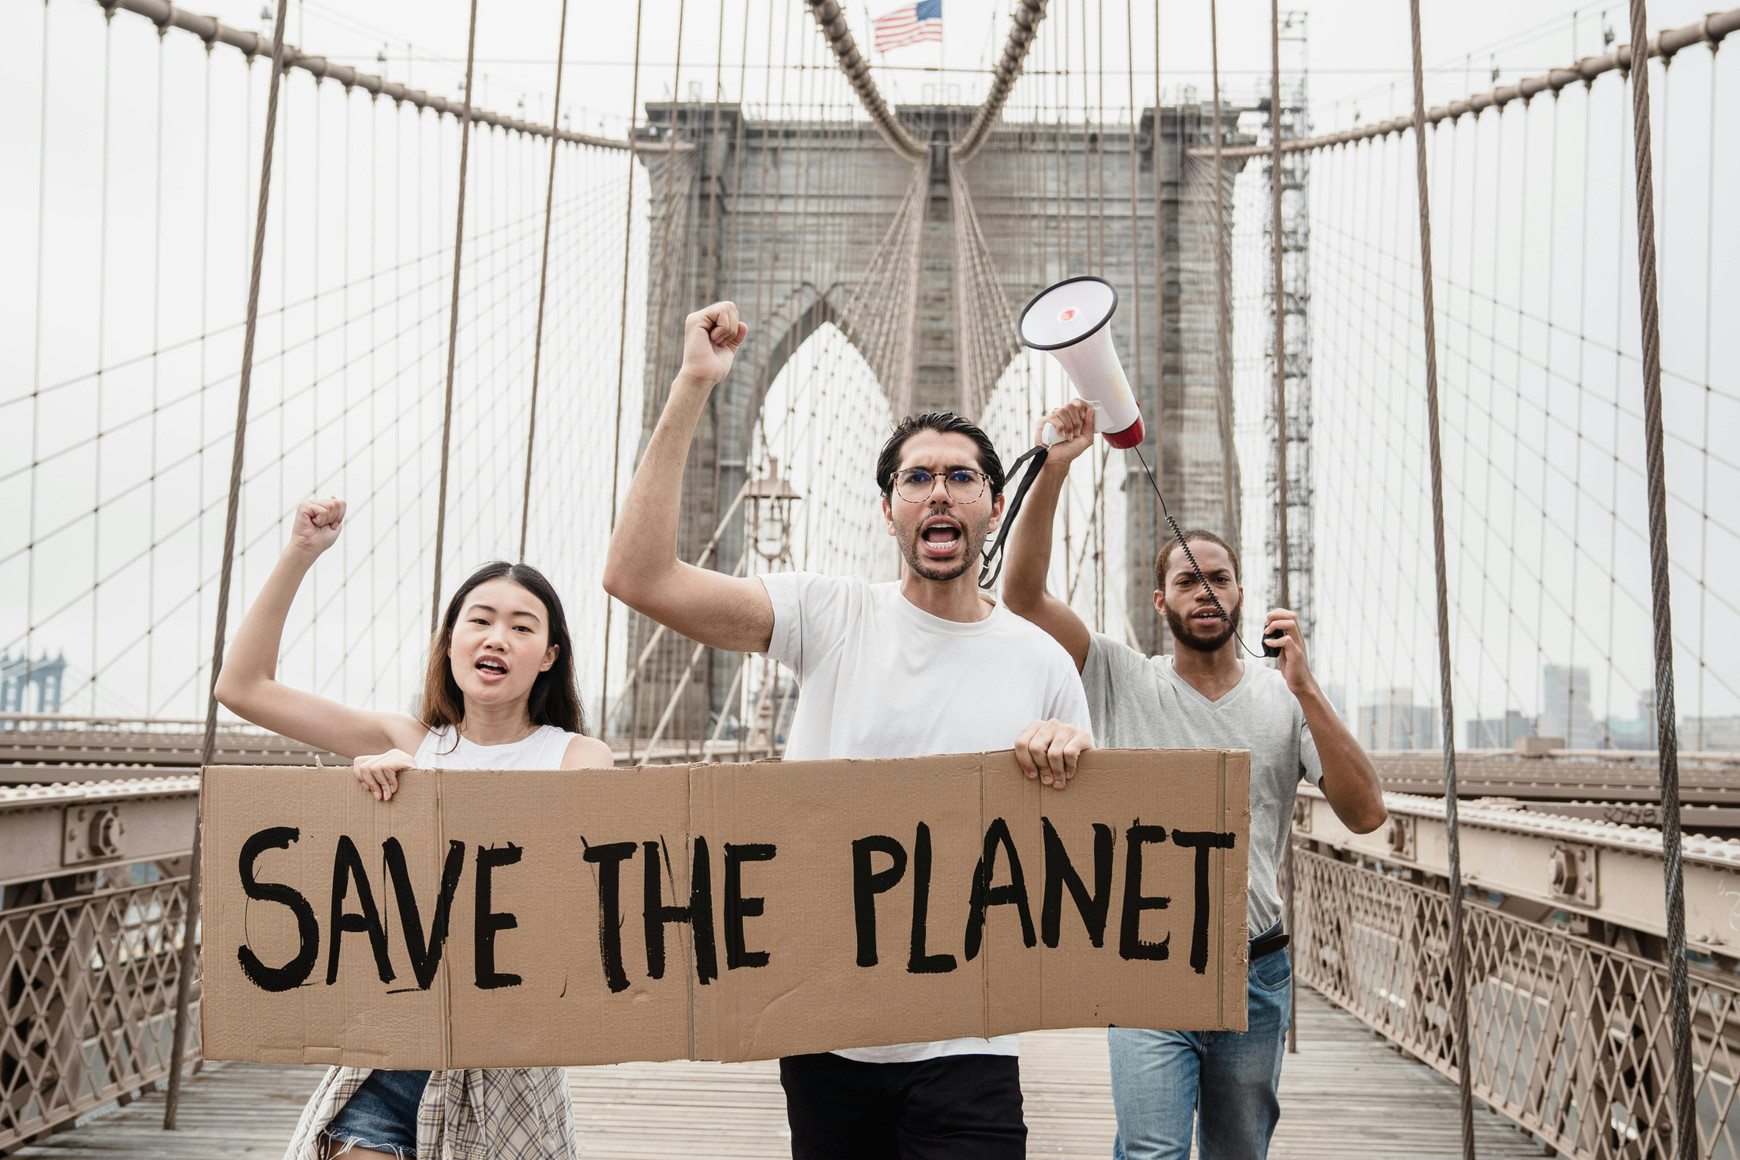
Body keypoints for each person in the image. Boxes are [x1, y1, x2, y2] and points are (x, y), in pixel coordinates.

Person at [602, 301, 1096, 1159]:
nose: (938, 491)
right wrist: (693, 385)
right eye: (916, 478)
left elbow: (1087, 840)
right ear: (887, 510)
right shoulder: (827, 616)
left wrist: (1071, 761)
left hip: (972, 1041)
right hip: (827, 1028)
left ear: (993, 503)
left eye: (961, 477)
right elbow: (638, 577)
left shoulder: (1043, 662)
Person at [1000, 399, 1389, 1160]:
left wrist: (1308, 687)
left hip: (1255, 968)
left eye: (1219, 579)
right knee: (1151, 1153)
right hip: (1146, 958)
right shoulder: (1118, 677)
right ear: (1161, 601)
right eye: (1187, 581)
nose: (1205, 592)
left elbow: (1367, 811)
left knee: (1238, 1153)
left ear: (1242, 595)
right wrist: (1052, 466)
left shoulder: (1285, 699)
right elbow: (1020, 598)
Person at [214, 496, 613, 1160]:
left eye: (521, 627)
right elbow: (243, 687)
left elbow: (565, 870)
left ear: (548, 656)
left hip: (507, 1068)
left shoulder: (578, 757)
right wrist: (301, 553)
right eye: (479, 620)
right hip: (392, 1054)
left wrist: (426, 791)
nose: (496, 638)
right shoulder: (406, 738)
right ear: (451, 640)